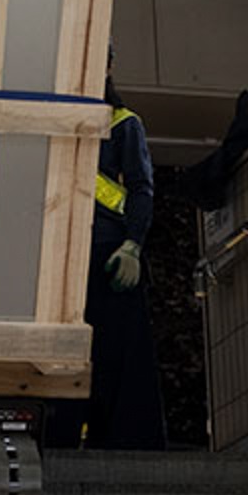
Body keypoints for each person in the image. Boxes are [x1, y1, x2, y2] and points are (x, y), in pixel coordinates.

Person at [48, 47, 167, 450]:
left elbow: (141, 189)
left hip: (109, 257)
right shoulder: (55, 121)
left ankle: (120, 442)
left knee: (117, 356)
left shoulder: (123, 124)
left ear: (109, 67)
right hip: (61, 256)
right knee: (63, 354)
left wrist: (133, 245)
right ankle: (61, 436)